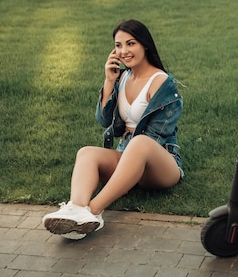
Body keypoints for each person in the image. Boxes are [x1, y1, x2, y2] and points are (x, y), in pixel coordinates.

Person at [42, 19, 183, 239]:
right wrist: (109, 81)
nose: (124, 51)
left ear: (144, 44)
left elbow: (157, 137)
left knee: (140, 142)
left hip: (160, 166)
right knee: (86, 152)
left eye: (131, 43)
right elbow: (104, 120)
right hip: (129, 159)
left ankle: (92, 211)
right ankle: (75, 209)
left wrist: (130, 148)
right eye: (118, 45)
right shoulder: (123, 77)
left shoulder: (162, 83)